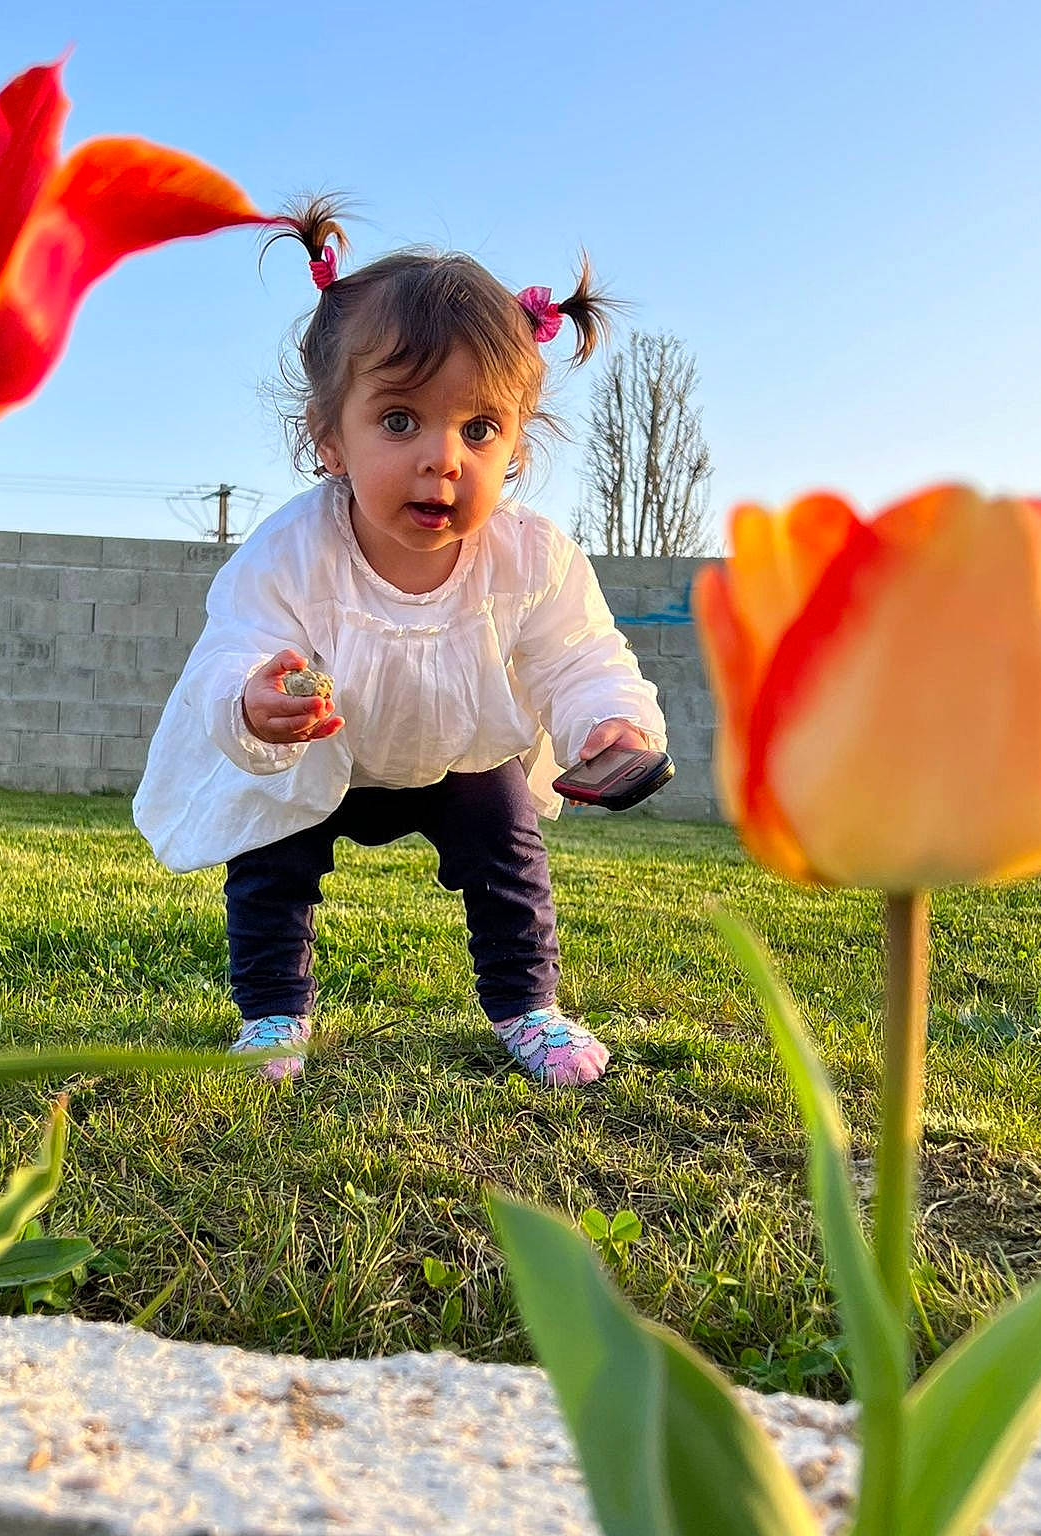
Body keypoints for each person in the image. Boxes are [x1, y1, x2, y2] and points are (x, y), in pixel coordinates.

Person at [133, 197, 667, 1087]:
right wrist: (255, 703)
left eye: (479, 428)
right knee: (270, 865)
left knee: (508, 854)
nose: (442, 457)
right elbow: (239, 642)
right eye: (399, 421)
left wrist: (608, 721)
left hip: (459, 754)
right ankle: (272, 1019)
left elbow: (579, 653)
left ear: (518, 450)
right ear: (329, 439)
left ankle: (527, 1007)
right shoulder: (293, 549)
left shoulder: (530, 554)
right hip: (325, 756)